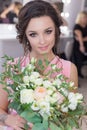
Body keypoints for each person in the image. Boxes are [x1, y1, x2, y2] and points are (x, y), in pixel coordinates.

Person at [0, 0, 78, 129]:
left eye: (48, 32)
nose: (42, 41)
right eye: (33, 34)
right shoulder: (12, 67)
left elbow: (70, 115)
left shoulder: (69, 69)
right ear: (25, 36)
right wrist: (7, 118)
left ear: (56, 31)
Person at [71, 11, 87, 78]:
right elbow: (79, 36)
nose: (86, 18)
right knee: (78, 62)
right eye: (84, 17)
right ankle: (75, 77)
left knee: (82, 62)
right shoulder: (77, 26)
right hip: (78, 47)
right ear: (80, 18)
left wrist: (82, 39)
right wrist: (81, 45)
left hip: (85, 46)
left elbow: (80, 38)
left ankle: (79, 73)